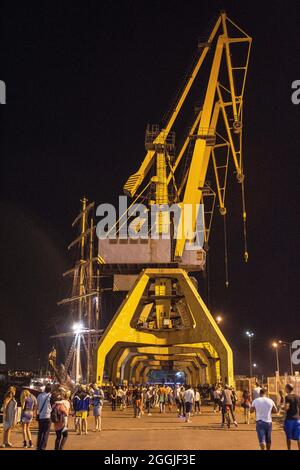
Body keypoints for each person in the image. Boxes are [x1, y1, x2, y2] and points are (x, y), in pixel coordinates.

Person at [283, 383, 300, 450]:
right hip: (298, 419)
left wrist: (283, 408)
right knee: (298, 437)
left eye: (285, 388)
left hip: (289, 419)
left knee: (288, 437)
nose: (285, 389)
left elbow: (287, 407)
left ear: (287, 388)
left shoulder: (287, 397)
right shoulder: (298, 397)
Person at [36, 383, 52, 450]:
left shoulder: (39, 396)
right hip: (48, 416)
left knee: (40, 432)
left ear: (45, 388)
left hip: (41, 416)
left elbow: (37, 406)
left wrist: (36, 414)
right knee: (46, 433)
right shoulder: (51, 396)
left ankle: (38, 446)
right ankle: (43, 447)